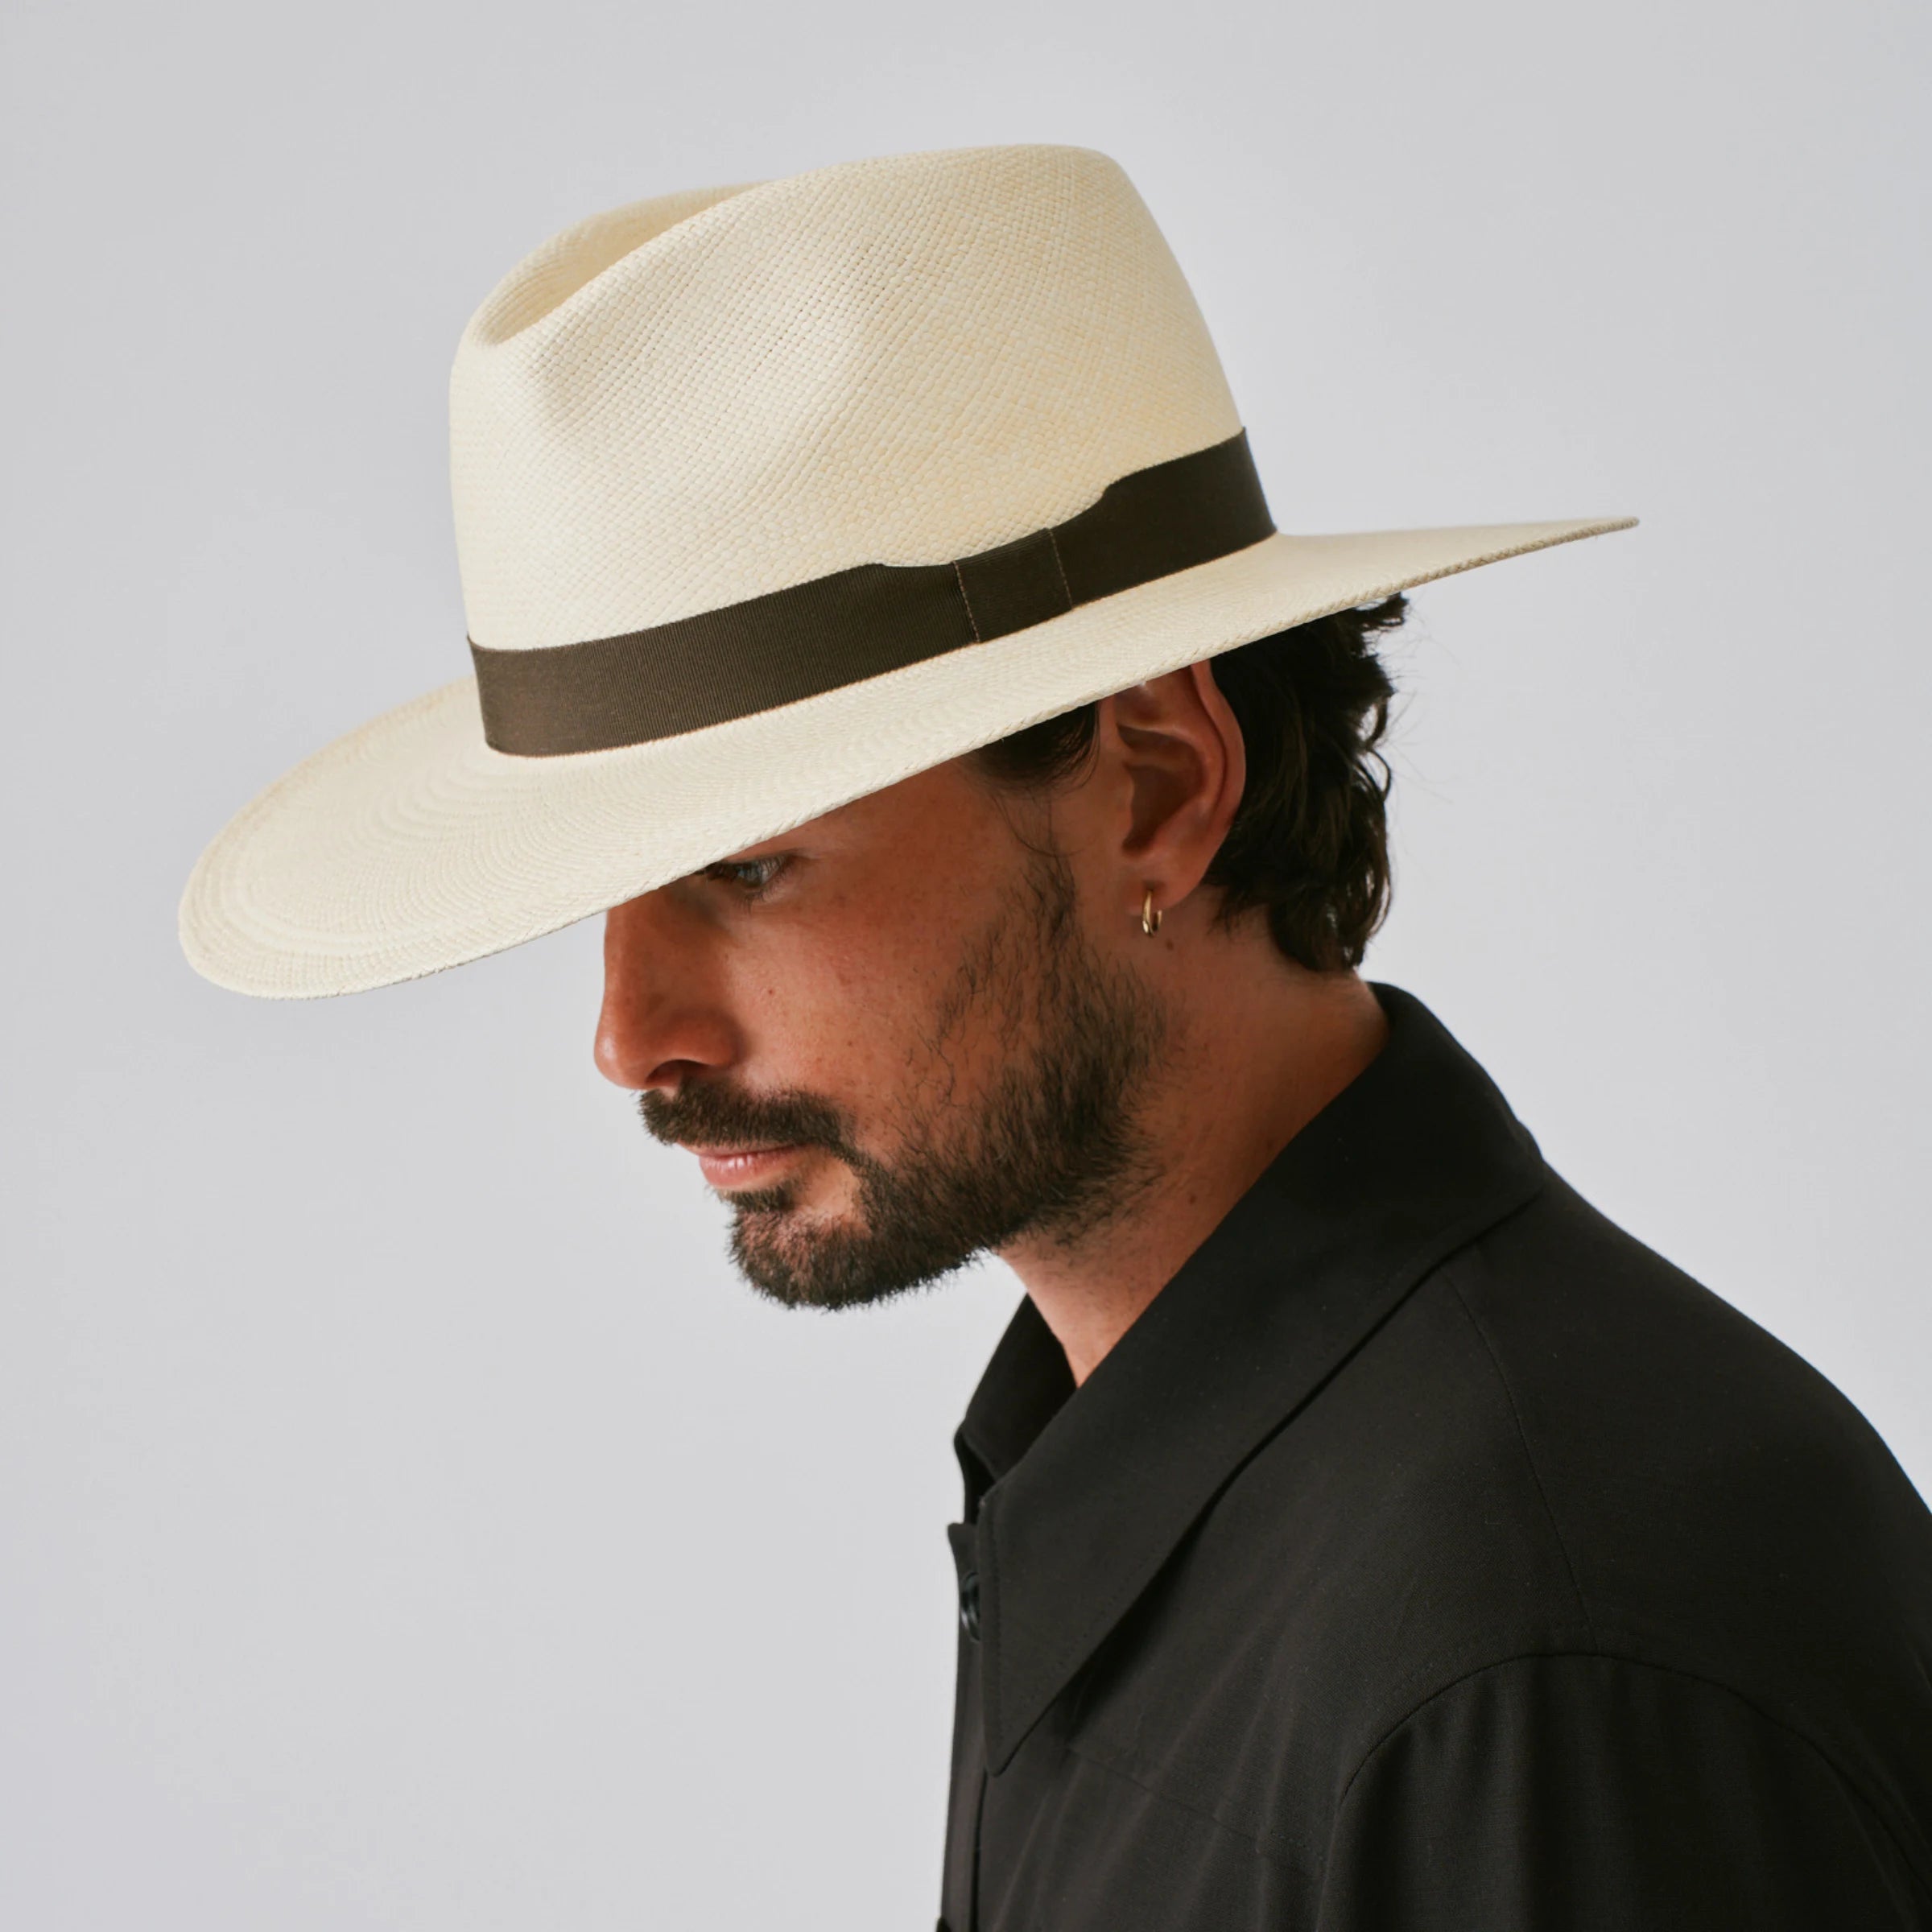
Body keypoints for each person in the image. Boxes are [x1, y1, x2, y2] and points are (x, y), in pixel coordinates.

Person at [182, 145, 1932, 1927]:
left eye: (750, 864)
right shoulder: (1176, 1482)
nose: (631, 1034)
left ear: (1162, 787)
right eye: (608, 897)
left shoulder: (1531, 1651)